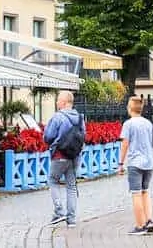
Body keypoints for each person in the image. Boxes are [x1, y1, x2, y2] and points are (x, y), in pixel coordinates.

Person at [43, 90, 85, 228]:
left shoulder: (58, 117)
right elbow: (84, 136)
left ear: (65, 102)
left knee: (52, 180)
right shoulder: (80, 118)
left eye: (58, 100)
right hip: (74, 157)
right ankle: (71, 219)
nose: (56, 102)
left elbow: (48, 137)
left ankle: (59, 211)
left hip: (59, 156)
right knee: (71, 186)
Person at [117, 96, 153, 235]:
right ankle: (149, 220)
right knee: (145, 191)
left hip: (135, 163)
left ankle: (140, 226)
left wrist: (120, 163)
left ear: (129, 108)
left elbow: (125, 144)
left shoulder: (128, 124)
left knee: (136, 194)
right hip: (149, 162)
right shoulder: (148, 123)